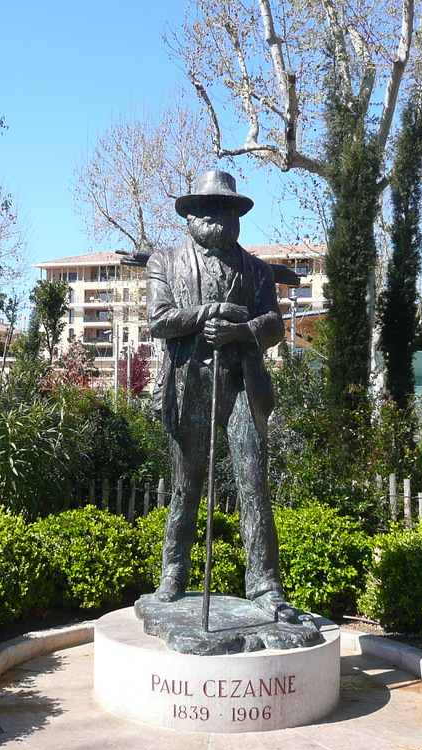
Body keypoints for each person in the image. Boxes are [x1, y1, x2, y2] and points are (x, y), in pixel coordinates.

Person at [145, 170, 302, 623]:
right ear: (190, 217)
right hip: (190, 386)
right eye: (211, 213)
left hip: (241, 387)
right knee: (186, 485)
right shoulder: (165, 260)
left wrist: (241, 331)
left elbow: (273, 322)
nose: (221, 222)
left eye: (230, 214)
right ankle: (173, 573)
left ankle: (266, 585)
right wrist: (208, 314)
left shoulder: (255, 269)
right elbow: (159, 319)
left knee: (254, 484)